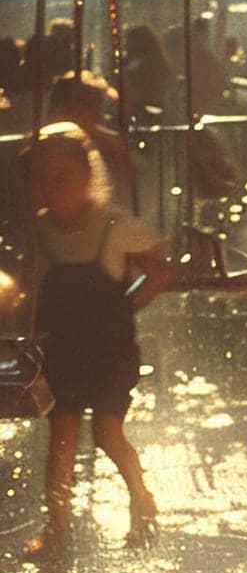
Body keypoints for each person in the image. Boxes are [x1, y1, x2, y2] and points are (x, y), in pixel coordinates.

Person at [26, 124, 170, 549]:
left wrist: (128, 306)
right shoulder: (42, 230)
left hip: (110, 351)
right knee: (62, 436)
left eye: (61, 178)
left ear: (87, 177)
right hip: (63, 349)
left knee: (108, 433)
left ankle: (140, 497)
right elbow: (37, 285)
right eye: (43, 181)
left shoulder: (113, 226)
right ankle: (56, 527)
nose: (52, 190)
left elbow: (160, 270)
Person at [47, 72, 135, 208]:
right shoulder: (46, 144)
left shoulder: (111, 145)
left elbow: (125, 196)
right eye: (90, 104)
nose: (98, 112)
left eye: (98, 104)